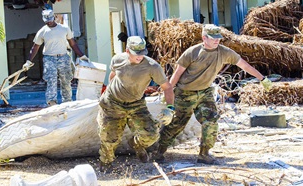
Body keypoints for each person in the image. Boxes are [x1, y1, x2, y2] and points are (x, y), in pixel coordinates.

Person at [154, 24, 272, 164]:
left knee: (211, 121)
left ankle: (204, 154)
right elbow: (177, 74)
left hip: (205, 92)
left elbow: (244, 65)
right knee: (176, 124)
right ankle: (158, 151)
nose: (217, 41)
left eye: (218, 38)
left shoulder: (224, 52)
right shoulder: (192, 52)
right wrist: (168, 96)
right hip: (185, 93)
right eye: (213, 38)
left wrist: (262, 79)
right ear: (204, 38)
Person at [97, 36, 175, 173]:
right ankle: (106, 162)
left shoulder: (152, 67)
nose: (140, 56)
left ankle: (136, 144)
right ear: (127, 51)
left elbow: (167, 87)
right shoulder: (117, 59)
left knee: (151, 134)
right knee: (110, 138)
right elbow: (113, 75)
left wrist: (170, 108)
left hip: (136, 104)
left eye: (142, 53)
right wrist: (108, 91)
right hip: (113, 103)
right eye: (136, 54)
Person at [23, 9, 89, 106]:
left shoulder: (64, 28)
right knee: (51, 81)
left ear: (54, 17)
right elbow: (35, 47)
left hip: (63, 57)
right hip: (49, 59)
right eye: (46, 20)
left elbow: (73, 44)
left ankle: (67, 102)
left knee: (66, 81)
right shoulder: (42, 32)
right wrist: (28, 61)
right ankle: (52, 102)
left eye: (50, 19)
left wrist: (82, 56)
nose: (48, 22)